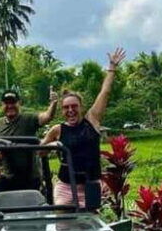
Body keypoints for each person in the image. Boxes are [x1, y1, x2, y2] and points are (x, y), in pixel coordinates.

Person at [42, 48, 125, 206]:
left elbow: (105, 93)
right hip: (65, 186)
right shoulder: (57, 129)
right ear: (62, 110)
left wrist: (112, 68)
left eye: (74, 106)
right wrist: (53, 145)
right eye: (66, 108)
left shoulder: (91, 121)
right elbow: (40, 151)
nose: (71, 110)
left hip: (90, 185)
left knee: (89, 223)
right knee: (62, 221)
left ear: (81, 107)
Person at [0, 87, 59, 201]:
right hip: (8, 176)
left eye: (13, 102)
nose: (10, 106)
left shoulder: (28, 119)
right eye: (6, 103)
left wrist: (53, 103)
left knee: (29, 208)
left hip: (30, 177)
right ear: (1, 105)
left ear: (19, 103)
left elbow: (47, 117)